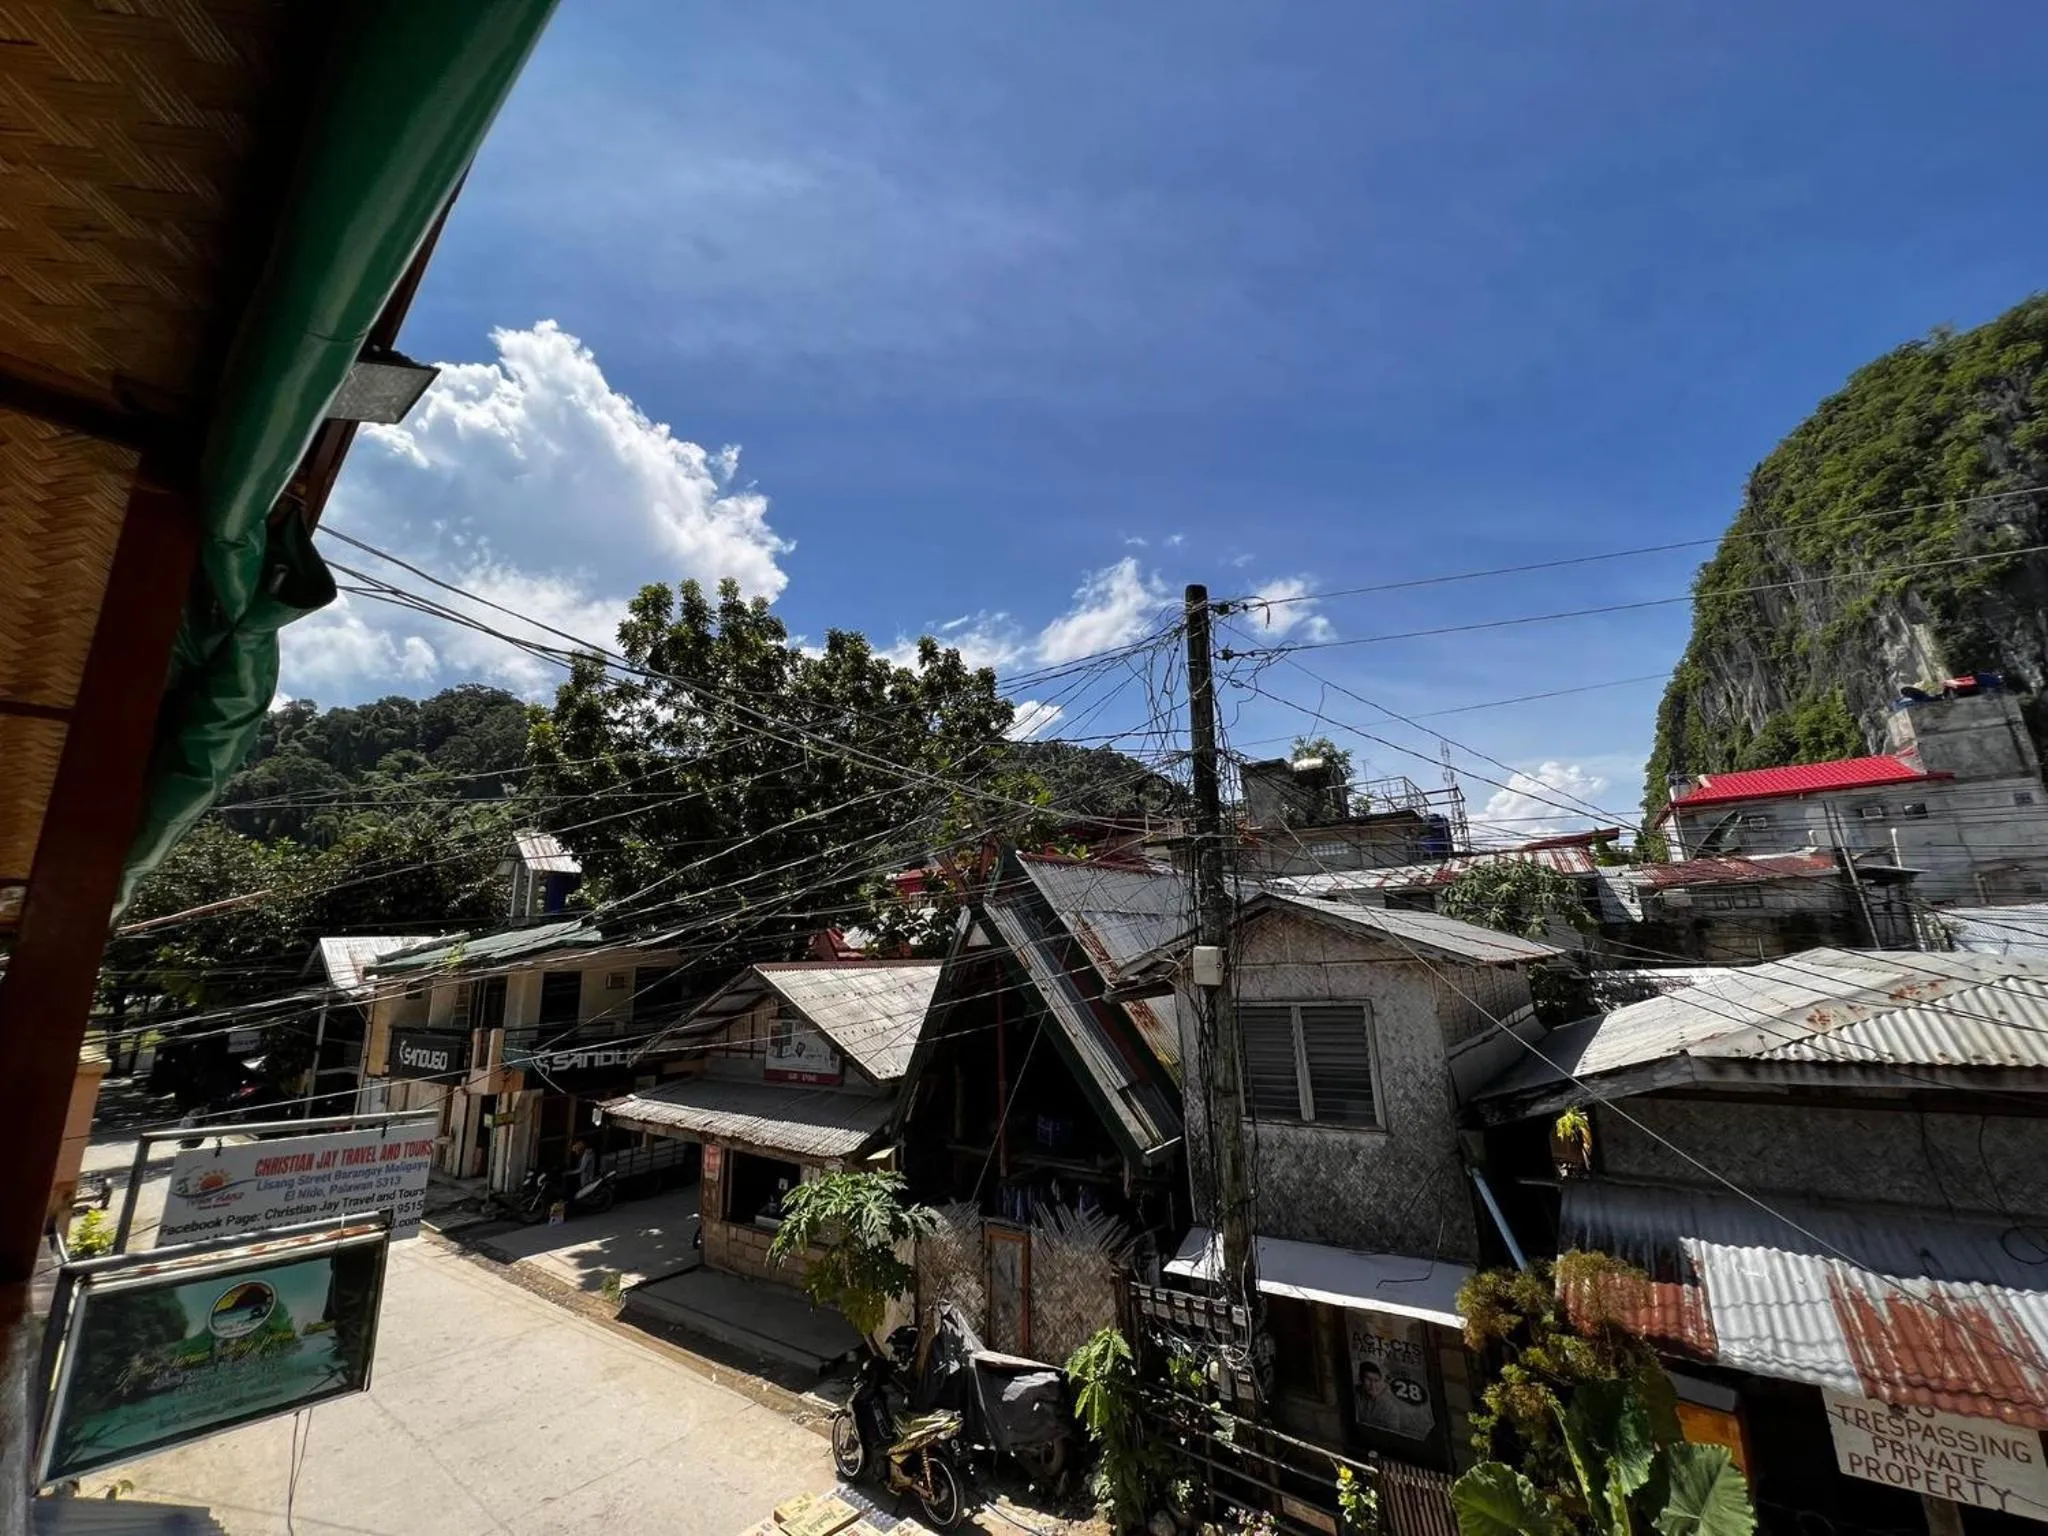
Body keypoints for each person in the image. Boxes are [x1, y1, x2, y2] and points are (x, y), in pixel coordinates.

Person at [1356, 1360, 1432, 1440]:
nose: (1373, 1385)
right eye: (1368, 1379)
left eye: (1376, 1380)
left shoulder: (1391, 1409)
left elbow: (1393, 1437)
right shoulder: (1355, 1394)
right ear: (1361, 1379)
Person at [568, 1137, 600, 1203]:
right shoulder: (587, 1153)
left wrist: (568, 1173)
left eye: (576, 1150)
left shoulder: (587, 1155)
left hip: (587, 1177)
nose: (575, 1152)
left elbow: (581, 1169)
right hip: (586, 1176)